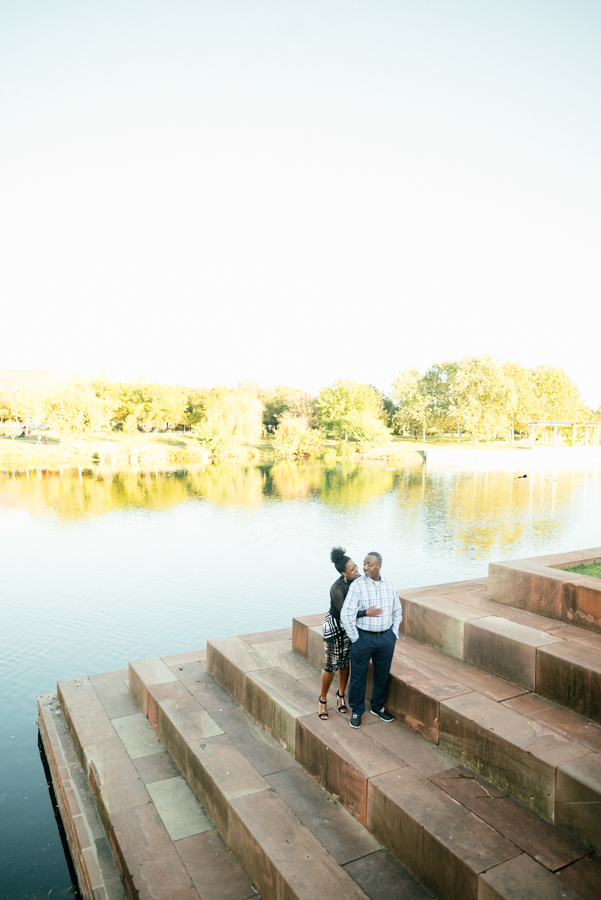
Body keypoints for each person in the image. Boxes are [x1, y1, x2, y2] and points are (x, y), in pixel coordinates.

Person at [341, 551, 403, 729]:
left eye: (370, 564)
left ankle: (377, 706)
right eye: (364, 564)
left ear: (379, 566)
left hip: (386, 638)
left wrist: (393, 634)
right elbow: (347, 614)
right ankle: (357, 710)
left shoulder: (390, 584)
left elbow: (397, 610)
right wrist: (355, 638)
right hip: (364, 638)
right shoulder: (357, 586)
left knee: (382, 674)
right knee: (358, 676)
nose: (365, 567)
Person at [319, 547, 382, 720]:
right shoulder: (336, 589)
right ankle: (322, 700)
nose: (357, 570)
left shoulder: (359, 580)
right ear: (343, 573)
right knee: (331, 664)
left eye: (356, 566)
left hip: (350, 626)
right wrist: (366, 613)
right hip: (335, 625)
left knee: (345, 662)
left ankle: (340, 696)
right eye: (352, 569)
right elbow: (344, 614)